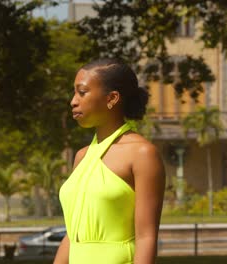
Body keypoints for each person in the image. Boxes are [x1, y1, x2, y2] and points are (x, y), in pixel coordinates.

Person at [54, 58, 166, 264]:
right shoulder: (82, 156)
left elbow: (146, 237)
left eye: (82, 92)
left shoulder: (142, 154)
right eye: (74, 92)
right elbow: (73, 234)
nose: (73, 101)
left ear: (112, 98)